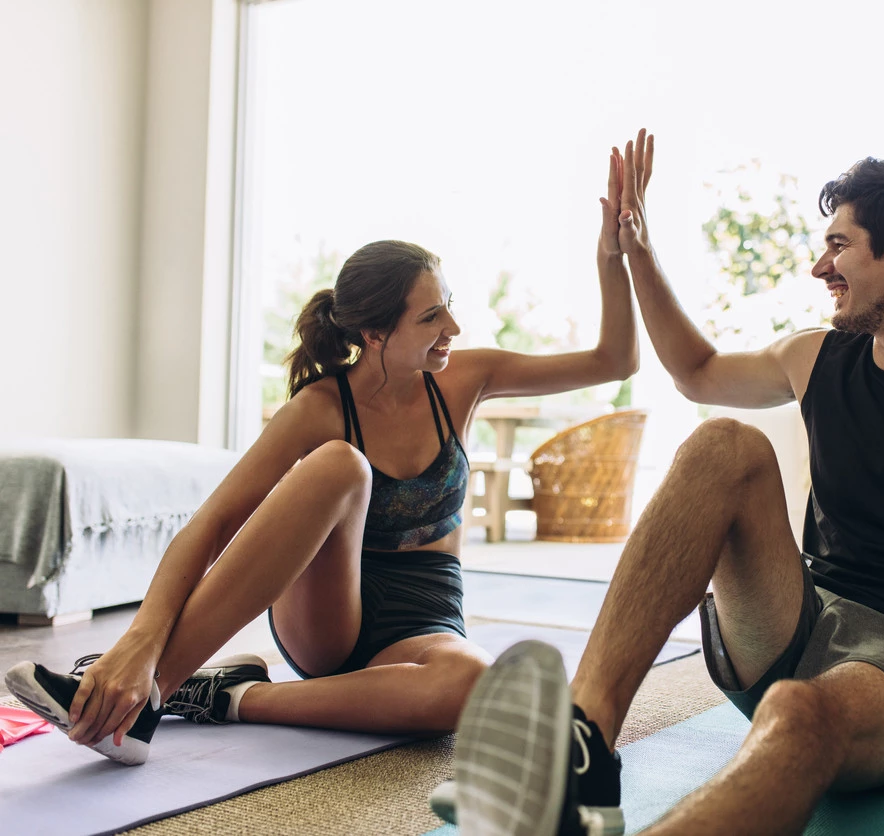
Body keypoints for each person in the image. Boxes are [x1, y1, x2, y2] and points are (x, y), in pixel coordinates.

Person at [441, 130, 884, 836]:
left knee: (797, 714)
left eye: (839, 245)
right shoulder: (817, 358)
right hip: (801, 618)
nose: (819, 266)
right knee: (722, 443)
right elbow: (697, 373)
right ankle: (581, 747)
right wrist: (636, 249)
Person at [4, 149, 639, 766]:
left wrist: (612, 256)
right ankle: (150, 694)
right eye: (431, 316)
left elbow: (615, 360)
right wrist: (141, 639)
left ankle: (224, 697)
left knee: (475, 683)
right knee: (342, 464)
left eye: (450, 305)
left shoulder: (465, 380)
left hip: (425, 619)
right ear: (375, 333)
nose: (453, 326)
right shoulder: (320, 408)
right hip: (329, 617)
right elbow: (214, 522)